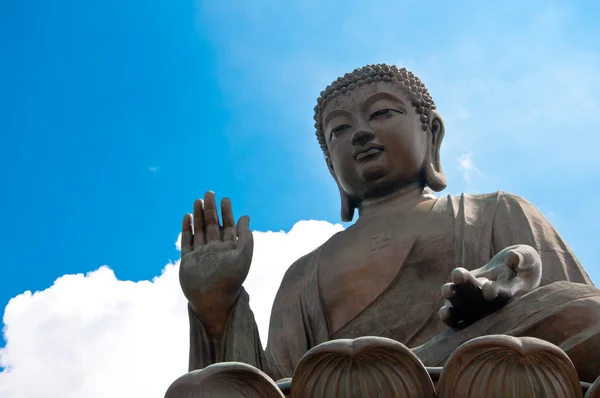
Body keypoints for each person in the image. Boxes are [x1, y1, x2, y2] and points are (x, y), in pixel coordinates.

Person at [178, 64, 600, 383]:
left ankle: (408, 369)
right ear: (331, 164)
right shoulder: (303, 275)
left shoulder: (495, 211)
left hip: (475, 369)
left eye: (380, 113)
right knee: (200, 389)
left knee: (585, 311)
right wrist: (216, 307)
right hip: (347, 385)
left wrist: (508, 291)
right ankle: (402, 370)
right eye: (339, 130)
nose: (359, 133)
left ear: (431, 132)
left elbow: (570, 311)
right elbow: (271, 382)